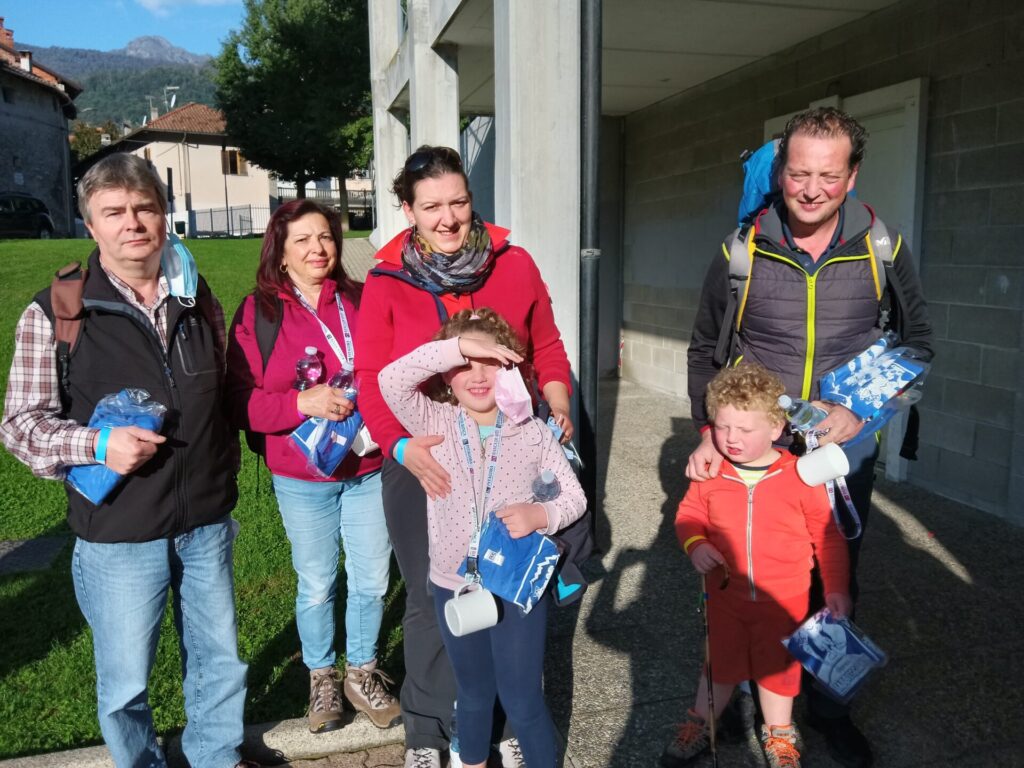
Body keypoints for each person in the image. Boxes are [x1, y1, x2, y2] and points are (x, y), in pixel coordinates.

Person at [686, 107, 933, 768]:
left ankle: (827, 709)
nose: (812, 188)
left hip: (839, 459)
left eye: (828, 174)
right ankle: (735, 704)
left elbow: (918, 344)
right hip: (755, 455)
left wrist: (863, 410)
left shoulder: (884, 247)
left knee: (833, 584)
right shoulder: (742, 249)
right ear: (781, 173)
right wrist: (709, 430)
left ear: (851, 177)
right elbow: (705, 352)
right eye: (799, 173)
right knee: (742, 580)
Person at [0, 153, 257, 768]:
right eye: (114, 212)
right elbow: (20, 426)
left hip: (205, 523)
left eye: (145, 208)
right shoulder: (57, 311)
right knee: (125, 683)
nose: (132, 223)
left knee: (220, 661)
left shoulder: (198, 299)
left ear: (164, 217)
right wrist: (96, 444)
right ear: (91, 225)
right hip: (119, 534)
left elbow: (220, 394)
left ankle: (215, 757)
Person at [356, 145, 575, 768]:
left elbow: (549, 344)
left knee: (509, 587)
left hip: (509, 447)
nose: (448, 218)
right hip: (423, 448)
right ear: (408, 211)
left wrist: (555, 402)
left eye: (458, 201)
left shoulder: (515, 264)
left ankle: (499, 718)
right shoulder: (388, 279)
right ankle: (428, 727)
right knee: (434, 597)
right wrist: (399, 444)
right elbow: (373, 375)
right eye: (431, 207)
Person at [378, 308, 586, 768]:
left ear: (510, 368)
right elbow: (391, 380)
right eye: (466, 364)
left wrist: (541, 513)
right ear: (446, 374)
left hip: (515, 586)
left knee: (522, 699)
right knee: (471, 695)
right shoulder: (434, 422)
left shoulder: (532, 432)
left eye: (491, 362)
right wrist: (458, 346)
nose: (477, 375)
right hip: (455, 584)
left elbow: (574, 498)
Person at [225, 199, 399, 734]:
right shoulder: (259, 314)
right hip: (302, 478)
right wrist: (301, 404)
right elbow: (237, 401)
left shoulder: (362, 299)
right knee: (318, 582)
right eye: (302, 239)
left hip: (366, 468)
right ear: (279, 251)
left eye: (325, 237)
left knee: (371, 579)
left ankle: (362, 670)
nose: (317, 249)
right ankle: (322, 675)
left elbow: (390, 372)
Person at [662, 363, 851, 768]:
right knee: (719, 666)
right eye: (722, 426)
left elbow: (827, 536)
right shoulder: (711, 473)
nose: (730, 439)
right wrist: (695, 545)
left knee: (778, 670)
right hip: (724, 598)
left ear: (776, 428)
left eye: (744, 430)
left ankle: (779, 733)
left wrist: (836, 587)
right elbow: (688, 516)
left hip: (785, 599)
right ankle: (701, 723)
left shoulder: (800, 476)